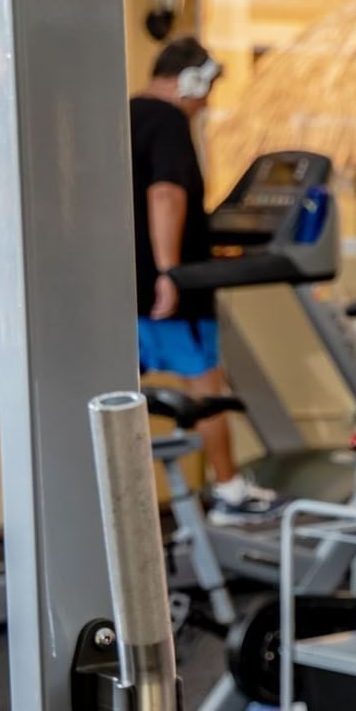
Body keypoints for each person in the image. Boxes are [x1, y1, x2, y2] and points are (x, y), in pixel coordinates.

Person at [131, 36, 281, 523]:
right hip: (166, 288)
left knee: (117, 388)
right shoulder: (169, 120)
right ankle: (229, 490)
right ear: (190, 80)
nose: (206, 103)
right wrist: (170, 271)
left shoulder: (126, 114)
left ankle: (108, 494)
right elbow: (166, 196)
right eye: (206, 90)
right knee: (207, 386)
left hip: (124, 288)